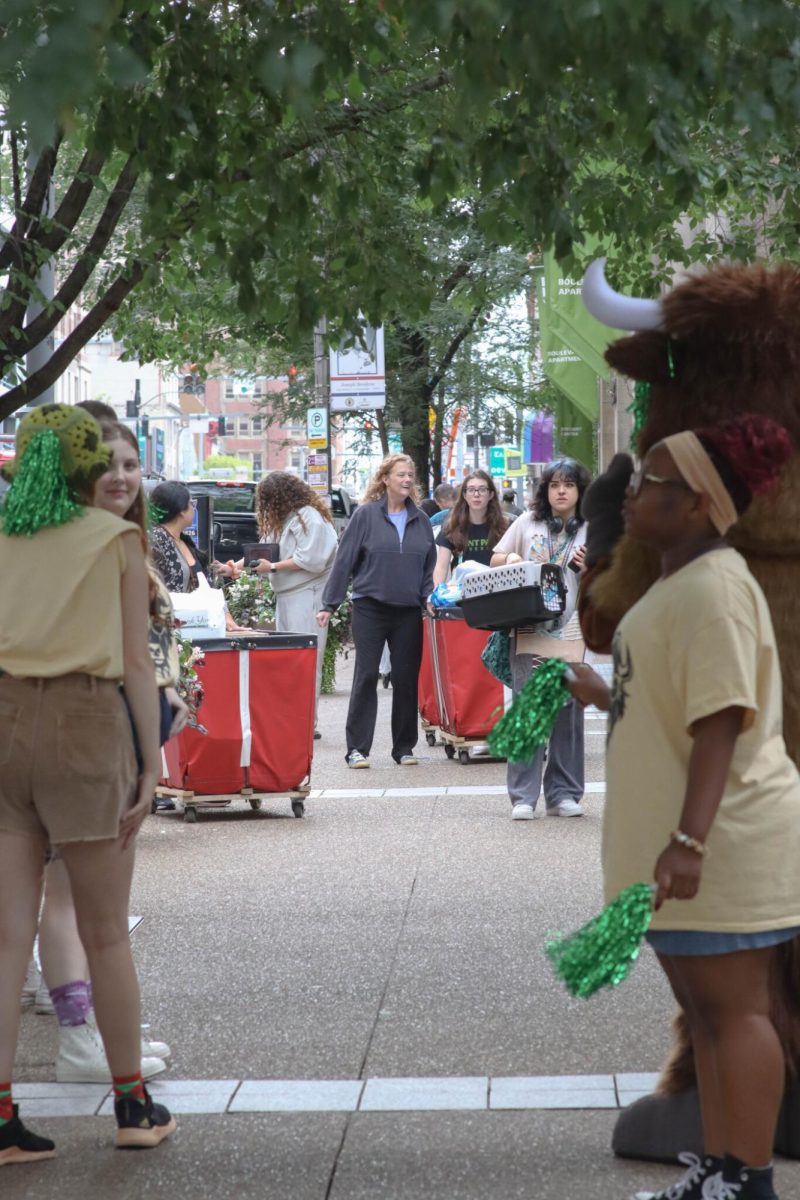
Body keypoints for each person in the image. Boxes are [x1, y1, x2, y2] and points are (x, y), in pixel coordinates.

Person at [567, 415, 800, 1200]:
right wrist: (609, 696)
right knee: (706, 1013)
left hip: (725, 840)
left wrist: (689, 840)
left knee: (736, 1013)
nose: (631, 495)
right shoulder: (682, 580)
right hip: (687, 842)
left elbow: (722, 720)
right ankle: (721, 1172)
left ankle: (751, 1180)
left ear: (699, 503)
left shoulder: (713, 589)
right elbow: (679, 704)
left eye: (650, 484)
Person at [0, 404, 175, 1164]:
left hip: (5, 723)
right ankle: (132, 1102)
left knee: (7, 935)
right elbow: (137, 664)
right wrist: (152, 763)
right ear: (81, 467)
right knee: (104, 929)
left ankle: (3, 1117)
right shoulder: (116, 539)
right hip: (85, 725)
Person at [35, 419, 184, 1084]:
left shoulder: (116, 541)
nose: (121, 476)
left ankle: (92, 1032)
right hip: (78, 739)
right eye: (106, 464)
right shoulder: (80, 546)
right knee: (70, 903)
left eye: (131, 463)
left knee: (76, 903)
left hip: (104, 736)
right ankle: (81, 1043)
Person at [318, 454, 436, 769]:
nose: (407, 480)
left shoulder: (421, 520)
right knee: (366, 675)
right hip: (370, 606)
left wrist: (428, 597)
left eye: (411, 474)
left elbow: (428, 565)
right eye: (400, 474)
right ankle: (357, 748)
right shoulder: (365, 515)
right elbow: (344, 561)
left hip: (408, 611)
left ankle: (404, 747)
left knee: (406, 678)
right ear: (385, 479)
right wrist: (330, 604)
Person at [490, 457, 590, 820]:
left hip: (572, 627)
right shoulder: (527, 522)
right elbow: (496, 557)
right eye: (554, 485)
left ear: (580, 491)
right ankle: (523, 795)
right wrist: (513, 557)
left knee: (568, 711)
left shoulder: (591, 528)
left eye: (569, 485)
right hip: (530, 625)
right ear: (545, 490)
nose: (561, 491)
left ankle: (564, 793)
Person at [248, 472, 337, 734]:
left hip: (306, 594)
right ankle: (294, 717)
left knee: (306, 658)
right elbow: (263, 553)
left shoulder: (309, 517)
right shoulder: (286, 518)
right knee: (291, 658)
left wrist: (272, 566)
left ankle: (307, 721)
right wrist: (236, 567)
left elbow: (311, 559)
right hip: (288, 595)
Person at [149, 480, 241, 631]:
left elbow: (206, 586)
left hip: (194, 628)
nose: (193, 508)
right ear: (181, 511)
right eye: (190, 504)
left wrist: (225, 615)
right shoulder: (156, 539)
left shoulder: (183, 540)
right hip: (167, 630)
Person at [433, 469, 509, 585]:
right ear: (464, 495)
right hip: (461, 594)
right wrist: (436, 595)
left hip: (496, 592)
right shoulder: (451, 525)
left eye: (482, 490)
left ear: (491, 494)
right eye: (471, 490)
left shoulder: (505, 525)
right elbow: (441, 567)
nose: (476, 494)